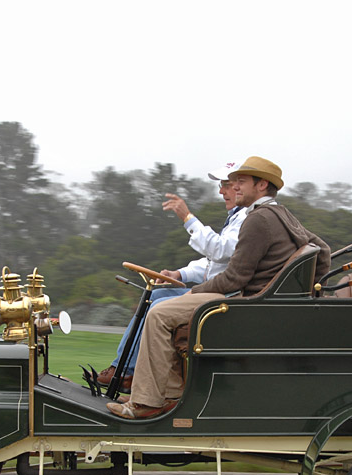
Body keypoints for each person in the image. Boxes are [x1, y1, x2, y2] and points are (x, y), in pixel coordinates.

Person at [107, 156, 332, 419]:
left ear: (262, 186)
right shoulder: (281, 214)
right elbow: (324, 251)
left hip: (246, 304)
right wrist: (314, 292)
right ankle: (165, 395)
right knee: (163, 307)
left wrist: (194, 292)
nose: (234, 187)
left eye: (241, 182)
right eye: (234, 182)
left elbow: (234, 278)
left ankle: (146, 403)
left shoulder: (258, 219)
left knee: (159, 313)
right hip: (258, 301)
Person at [95, 162, 247, 391]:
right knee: (161, 292)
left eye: (226, 185)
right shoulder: (236, 217)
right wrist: (179, 273)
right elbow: (215, 262)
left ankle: (130, 374)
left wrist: (187, 217)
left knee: (160, 303)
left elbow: (219, 250)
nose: (221, 191)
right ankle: (124, 369)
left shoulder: (246, 218)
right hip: (216, 289)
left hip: (224, 297)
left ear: (242, 187)